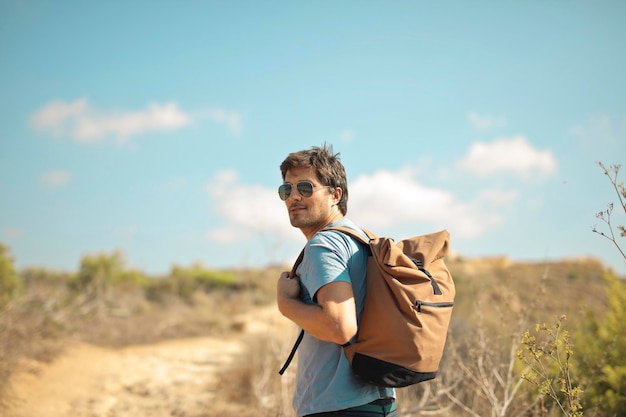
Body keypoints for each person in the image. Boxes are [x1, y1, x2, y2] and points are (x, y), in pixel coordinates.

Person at [276, 145, 397, 417]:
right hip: (378, 402)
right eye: (287, 190)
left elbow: (339, 327)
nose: (294, 196)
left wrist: (285, 303)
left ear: (335, 195)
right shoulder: (361, 238)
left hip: (338, 407)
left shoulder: (324, 245)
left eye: (305, 188)